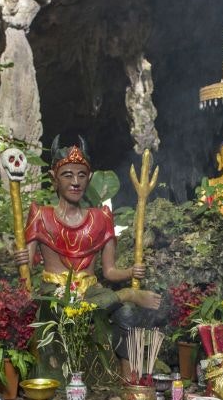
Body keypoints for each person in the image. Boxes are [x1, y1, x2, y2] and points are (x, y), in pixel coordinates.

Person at [14, 138, 162, 378]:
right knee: (67, 309)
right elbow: (25, 270)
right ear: (54, 178)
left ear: (89, 179)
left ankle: (129, 377)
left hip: (91, 290)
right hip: (55, 291)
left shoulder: (101, 218)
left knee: (126, 313)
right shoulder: (40, 216)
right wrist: (21, 256)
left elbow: (109, 272)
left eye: (82, 175)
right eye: (68, 175)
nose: (75, 182)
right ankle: (127, 294)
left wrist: (130, 273)